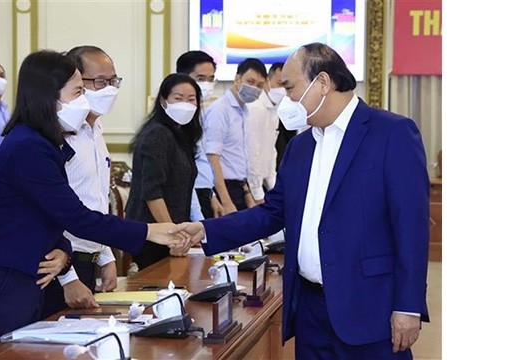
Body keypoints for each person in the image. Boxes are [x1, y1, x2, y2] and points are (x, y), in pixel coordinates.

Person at [171, 42, 430, 359]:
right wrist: (205, 230)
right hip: (310, 311)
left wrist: (408, 306)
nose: (287, 98)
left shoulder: (392, 133)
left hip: (369, 308)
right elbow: (271, 212)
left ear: (322, 83)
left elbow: (411, 227)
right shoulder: (300, 146)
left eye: (290, 87)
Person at [0, 50, 184, 359]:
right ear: (49, 97)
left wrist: (62, 248)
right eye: (78, 92)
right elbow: (75, 215)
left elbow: (46, 212)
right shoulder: (28, 147)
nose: (84, 101)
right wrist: (149, 232)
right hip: (0, 287)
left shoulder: (43, 142)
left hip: (22, 281)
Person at [41, 45, 124, 318]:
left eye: (113, 81)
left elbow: (96, 199)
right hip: (58, 265)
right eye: (100, 82)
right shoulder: (55, 135)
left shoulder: (96, 129)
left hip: (88, 260)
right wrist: (68, 278)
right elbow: (50, 213)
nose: (109, 89)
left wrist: (106, 255)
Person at [125, 73, 203, 270]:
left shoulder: (180, 135)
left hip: (171, 232)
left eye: (191, 99)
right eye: (178, 98)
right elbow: (152, 193)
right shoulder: (158, 134)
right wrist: (173, 236)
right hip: (154, 236)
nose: (185, 104)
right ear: (163, 101)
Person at [203, 58, 267, 213]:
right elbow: (212, 158)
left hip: (239, 187)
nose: (254, 88)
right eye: (250, 82)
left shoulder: (243, 111)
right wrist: (226, 202)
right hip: (222, 188)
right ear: (237, 79)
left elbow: (237, 159)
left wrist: (248, 195)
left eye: (259, 85)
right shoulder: (220, 110)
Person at [176, 50, 224, 219]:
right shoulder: (179, 117)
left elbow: (201, 157)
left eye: (211, 79)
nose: (207, 84)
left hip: (203, 193)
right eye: (201, 79)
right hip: (187, 197)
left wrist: (211, 194)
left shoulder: (199, 112)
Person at [245, 62, 284, 204]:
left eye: (287, 85)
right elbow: (252, 151)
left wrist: (274, 185)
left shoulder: (274, 109)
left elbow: (270, 150)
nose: (283, 89)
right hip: (249, 184)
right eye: (279, 83)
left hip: (264, 182)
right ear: (268, 81)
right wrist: (257, 193)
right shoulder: (256, 108)